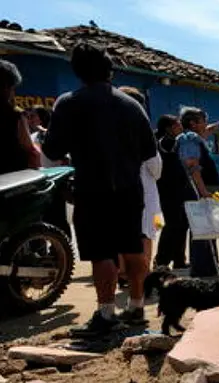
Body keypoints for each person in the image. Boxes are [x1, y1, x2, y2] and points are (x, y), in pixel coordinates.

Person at [42, 42, 156, 335]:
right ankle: (136, 306)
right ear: (110, 70)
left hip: (93, 188)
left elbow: (52, 149)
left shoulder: (69, 103)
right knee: (132, 246)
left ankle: (106, 313)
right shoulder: (132, 105)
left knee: (101, 252)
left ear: (77, 71)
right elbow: (148, 150)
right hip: (130, 189)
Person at [118, 87, 162, 272]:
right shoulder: (142, 131)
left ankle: (122, 273)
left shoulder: (104, 130)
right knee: (146, 234)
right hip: (143, 192)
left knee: (119, 235)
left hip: (114, 191)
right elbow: (156, 167)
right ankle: (143, 275)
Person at [177, 107, 219, 278]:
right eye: (203, 121)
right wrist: (202, 191)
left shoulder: (194, 138)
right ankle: (204, 268)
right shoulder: (189, 138)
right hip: (201, 190)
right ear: (193, 123)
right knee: (202, 228)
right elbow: (192, 165)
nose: (206, 125)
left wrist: (209, 130)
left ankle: (210, 265)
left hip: (204, 189)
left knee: (208, 228)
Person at [153, 115, 190, 270]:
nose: (180, 126)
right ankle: (161, 261)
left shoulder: (172, 142)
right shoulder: (165, 143)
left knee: (181, 225)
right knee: (173, 226)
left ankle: (179, 259)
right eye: (177, 124)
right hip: (169, 191)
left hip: (177, 191)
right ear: (168, 128)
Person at [0, 60, 40, 174]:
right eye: (12, 88)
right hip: (14, 180)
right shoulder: (15, 115)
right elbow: (30, 149)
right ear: (7, 88)